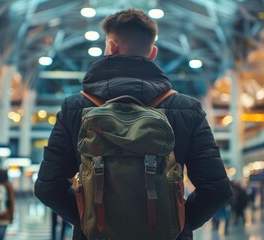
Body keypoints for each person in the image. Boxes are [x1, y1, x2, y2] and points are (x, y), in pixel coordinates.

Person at [35, 8, 233, 240]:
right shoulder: (187, 109)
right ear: (153, 53)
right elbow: (217, 189)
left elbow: (48, 187)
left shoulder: (75, 107)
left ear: (111, 47)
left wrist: (86, 220)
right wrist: (177, 223)